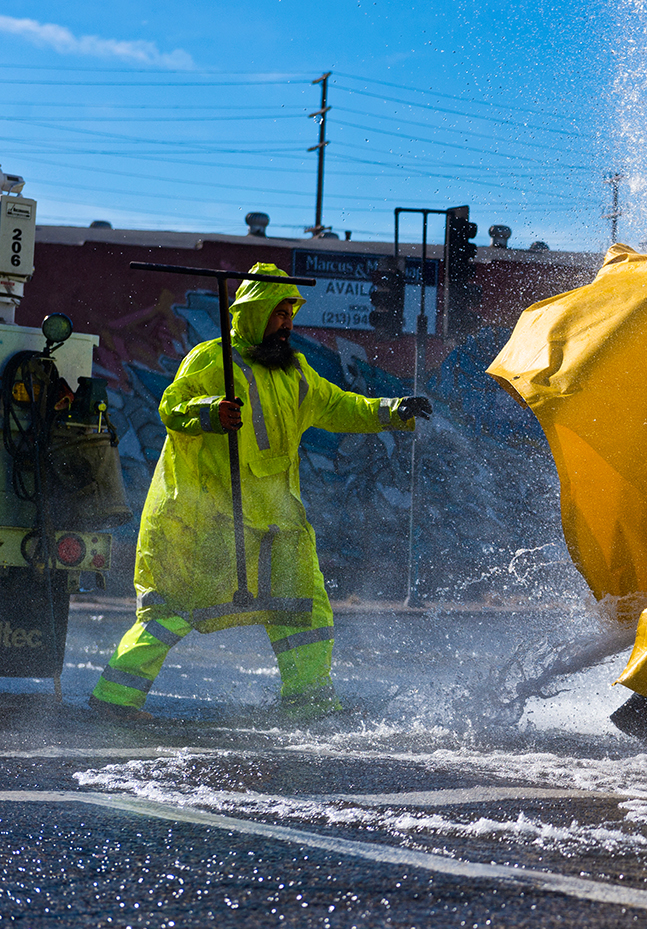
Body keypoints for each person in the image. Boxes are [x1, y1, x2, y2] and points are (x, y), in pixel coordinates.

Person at [89, 263, 431, 722]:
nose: (288, 324)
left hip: (277, 518)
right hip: (209, 517)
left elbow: (339, 405)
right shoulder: (213, 361)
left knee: (304, 613)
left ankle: (310, 700)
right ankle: (114, 701)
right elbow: (172, 407)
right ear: (253, 315)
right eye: (278, 313)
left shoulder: (295, 373)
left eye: (291, 313)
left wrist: (392, 409)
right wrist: (211, 411)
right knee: (170, 612)